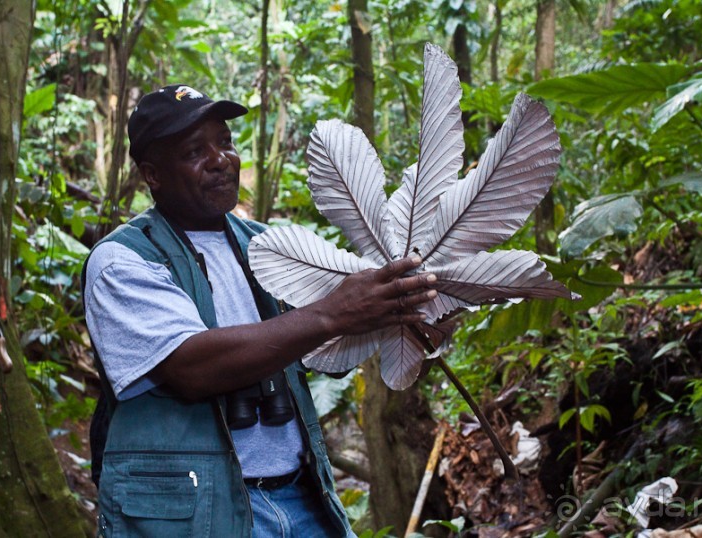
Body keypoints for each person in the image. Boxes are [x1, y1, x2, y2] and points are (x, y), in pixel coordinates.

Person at [83, 84, 437, 537]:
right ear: (153, 174)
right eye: (195, 150)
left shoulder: (268, 246)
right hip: (200, 514)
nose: (221, 160)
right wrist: (335, 311)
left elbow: (327, 348)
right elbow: (192, 367)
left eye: (225, 142)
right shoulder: (123, 260)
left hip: (304, 498)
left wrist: (409, 316)